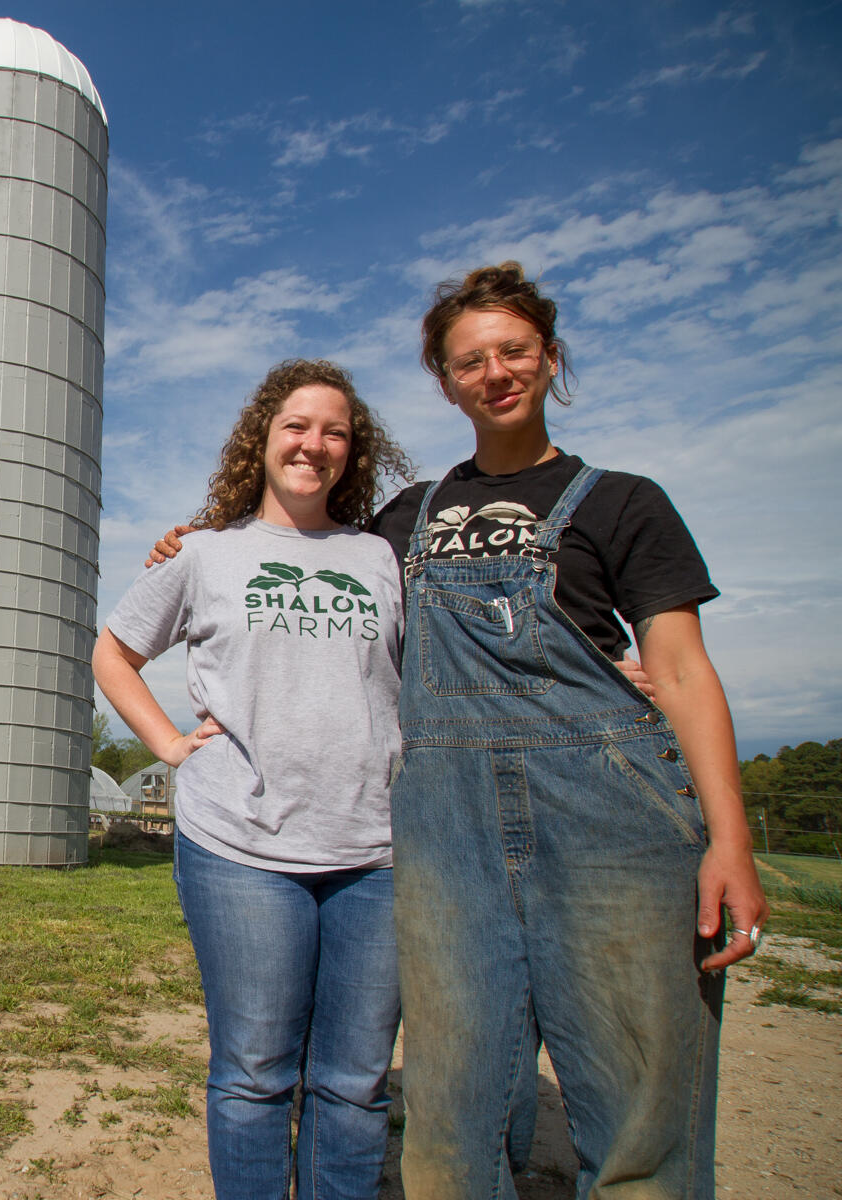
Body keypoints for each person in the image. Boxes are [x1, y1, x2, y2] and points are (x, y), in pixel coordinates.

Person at [155, 265, 767, 1196]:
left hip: (609, 819)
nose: (495, 372)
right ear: (445, 383)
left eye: (514, 351)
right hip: (446, 827)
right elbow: (306, 558)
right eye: (469, 360)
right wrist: (198, 543)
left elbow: (681, 669)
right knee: (450, 1104)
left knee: (638, 1093)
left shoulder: (624, 501)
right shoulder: (405, 518)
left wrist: (731, 836)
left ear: (550, 359)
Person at [93, 359, 413, 1200]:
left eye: (335, 431)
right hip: (240, 846)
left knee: (354, 1082)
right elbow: (114, 651)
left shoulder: (381, 557)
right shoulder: (205, 554)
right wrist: (167, 743)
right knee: (255, 1071)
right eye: (296, 427)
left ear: (354, 451)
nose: (314, 445)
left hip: (375, 852)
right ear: (261, 441)